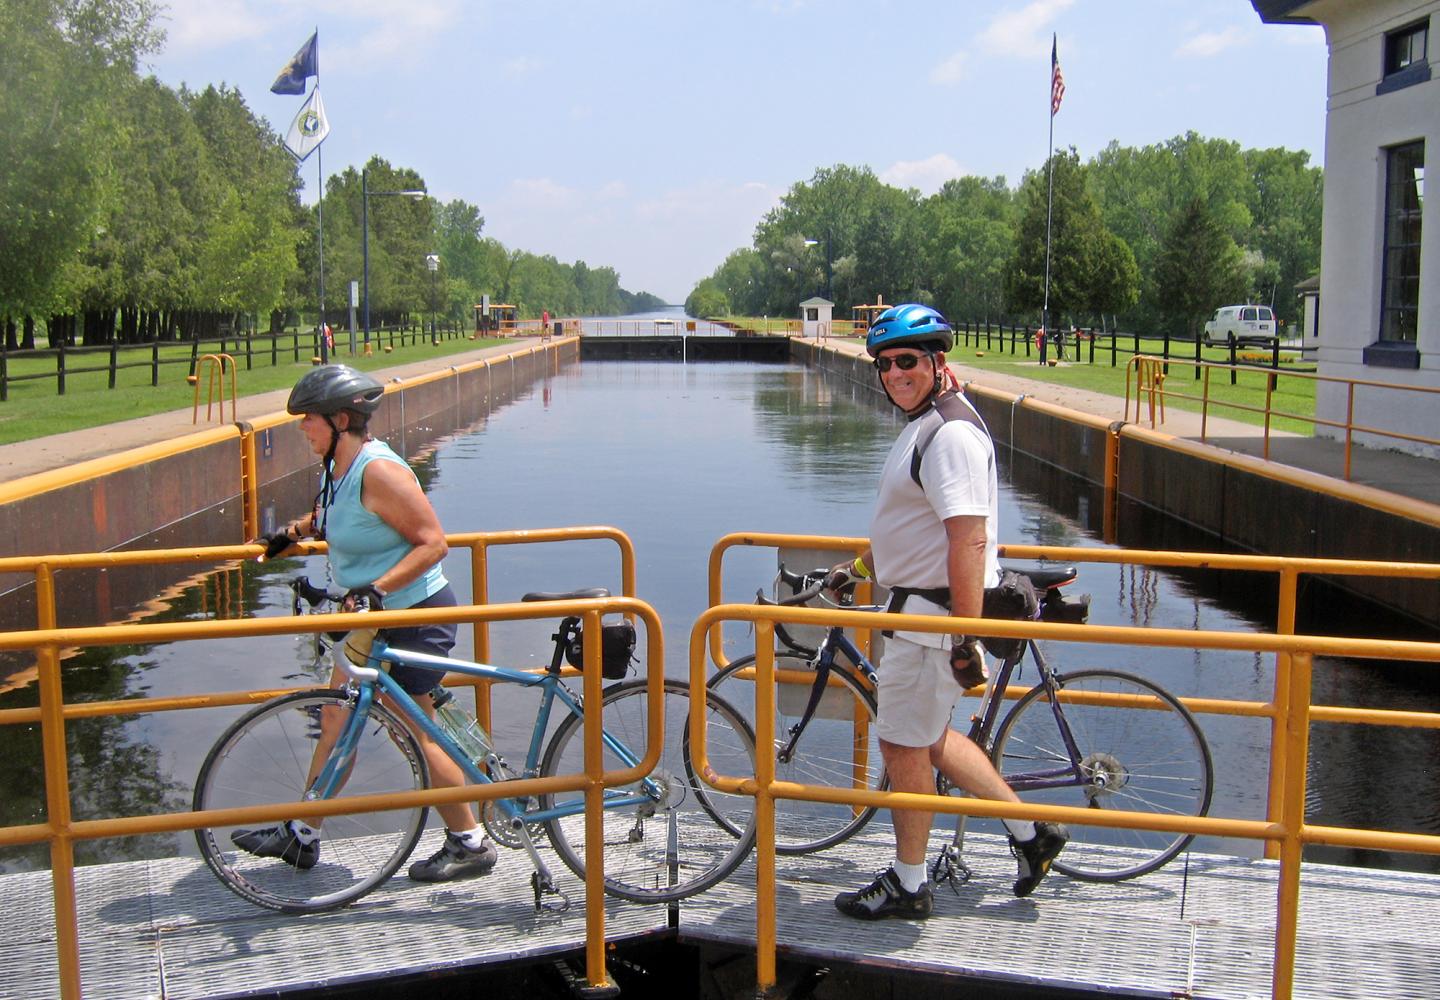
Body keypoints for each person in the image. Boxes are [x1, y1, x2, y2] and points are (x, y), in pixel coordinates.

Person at [825, 303, 1068, 920]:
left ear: (937, 362)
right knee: (930, 739)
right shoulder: (931, 420)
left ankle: (909, 884)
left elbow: (968, 538)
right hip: (917, 615)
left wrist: (963, 637)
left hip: (930, 623)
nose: (895, 373)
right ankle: (1029, 834)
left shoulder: (949, 433)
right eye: (885, 364)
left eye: (908, 361)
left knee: (902, 747)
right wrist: (857, 571)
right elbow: (912, 528)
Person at [232, 364, 498, 883]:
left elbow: (433, 542)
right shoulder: (337, 470)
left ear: (340, 419)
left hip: (413, 616)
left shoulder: (380, 470)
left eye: (307, 419)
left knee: (417, 733)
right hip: (372, 622)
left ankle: (470, 842)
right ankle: (303, 834)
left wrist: (377, 589)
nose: (301, 429)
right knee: (335, 720)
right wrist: (285, 535)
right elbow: (331, 517)